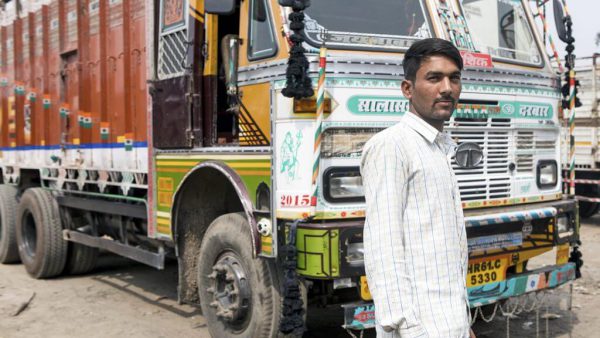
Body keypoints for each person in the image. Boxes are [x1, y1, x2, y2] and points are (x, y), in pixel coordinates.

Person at [360, 38, 475, 338]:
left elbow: (443, 252)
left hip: (450, 324)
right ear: (407, 89)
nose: (447, 88)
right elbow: (383, 247)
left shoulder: (441, 149)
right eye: (434, 78)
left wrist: (465, 325)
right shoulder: (392, 146)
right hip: (417, 329)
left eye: (455, 78)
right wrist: (408, 328)